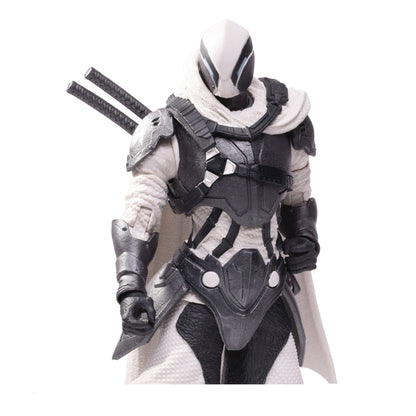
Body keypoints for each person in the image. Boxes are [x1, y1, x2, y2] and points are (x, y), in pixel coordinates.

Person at [112, 20, 335, 384]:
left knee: (285, 393)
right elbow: (140, 214)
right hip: (197, 290)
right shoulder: (172, 130)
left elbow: (298, 196)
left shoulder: (285, 122)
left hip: (269, 292)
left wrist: (304, 237)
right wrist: (130, 286)